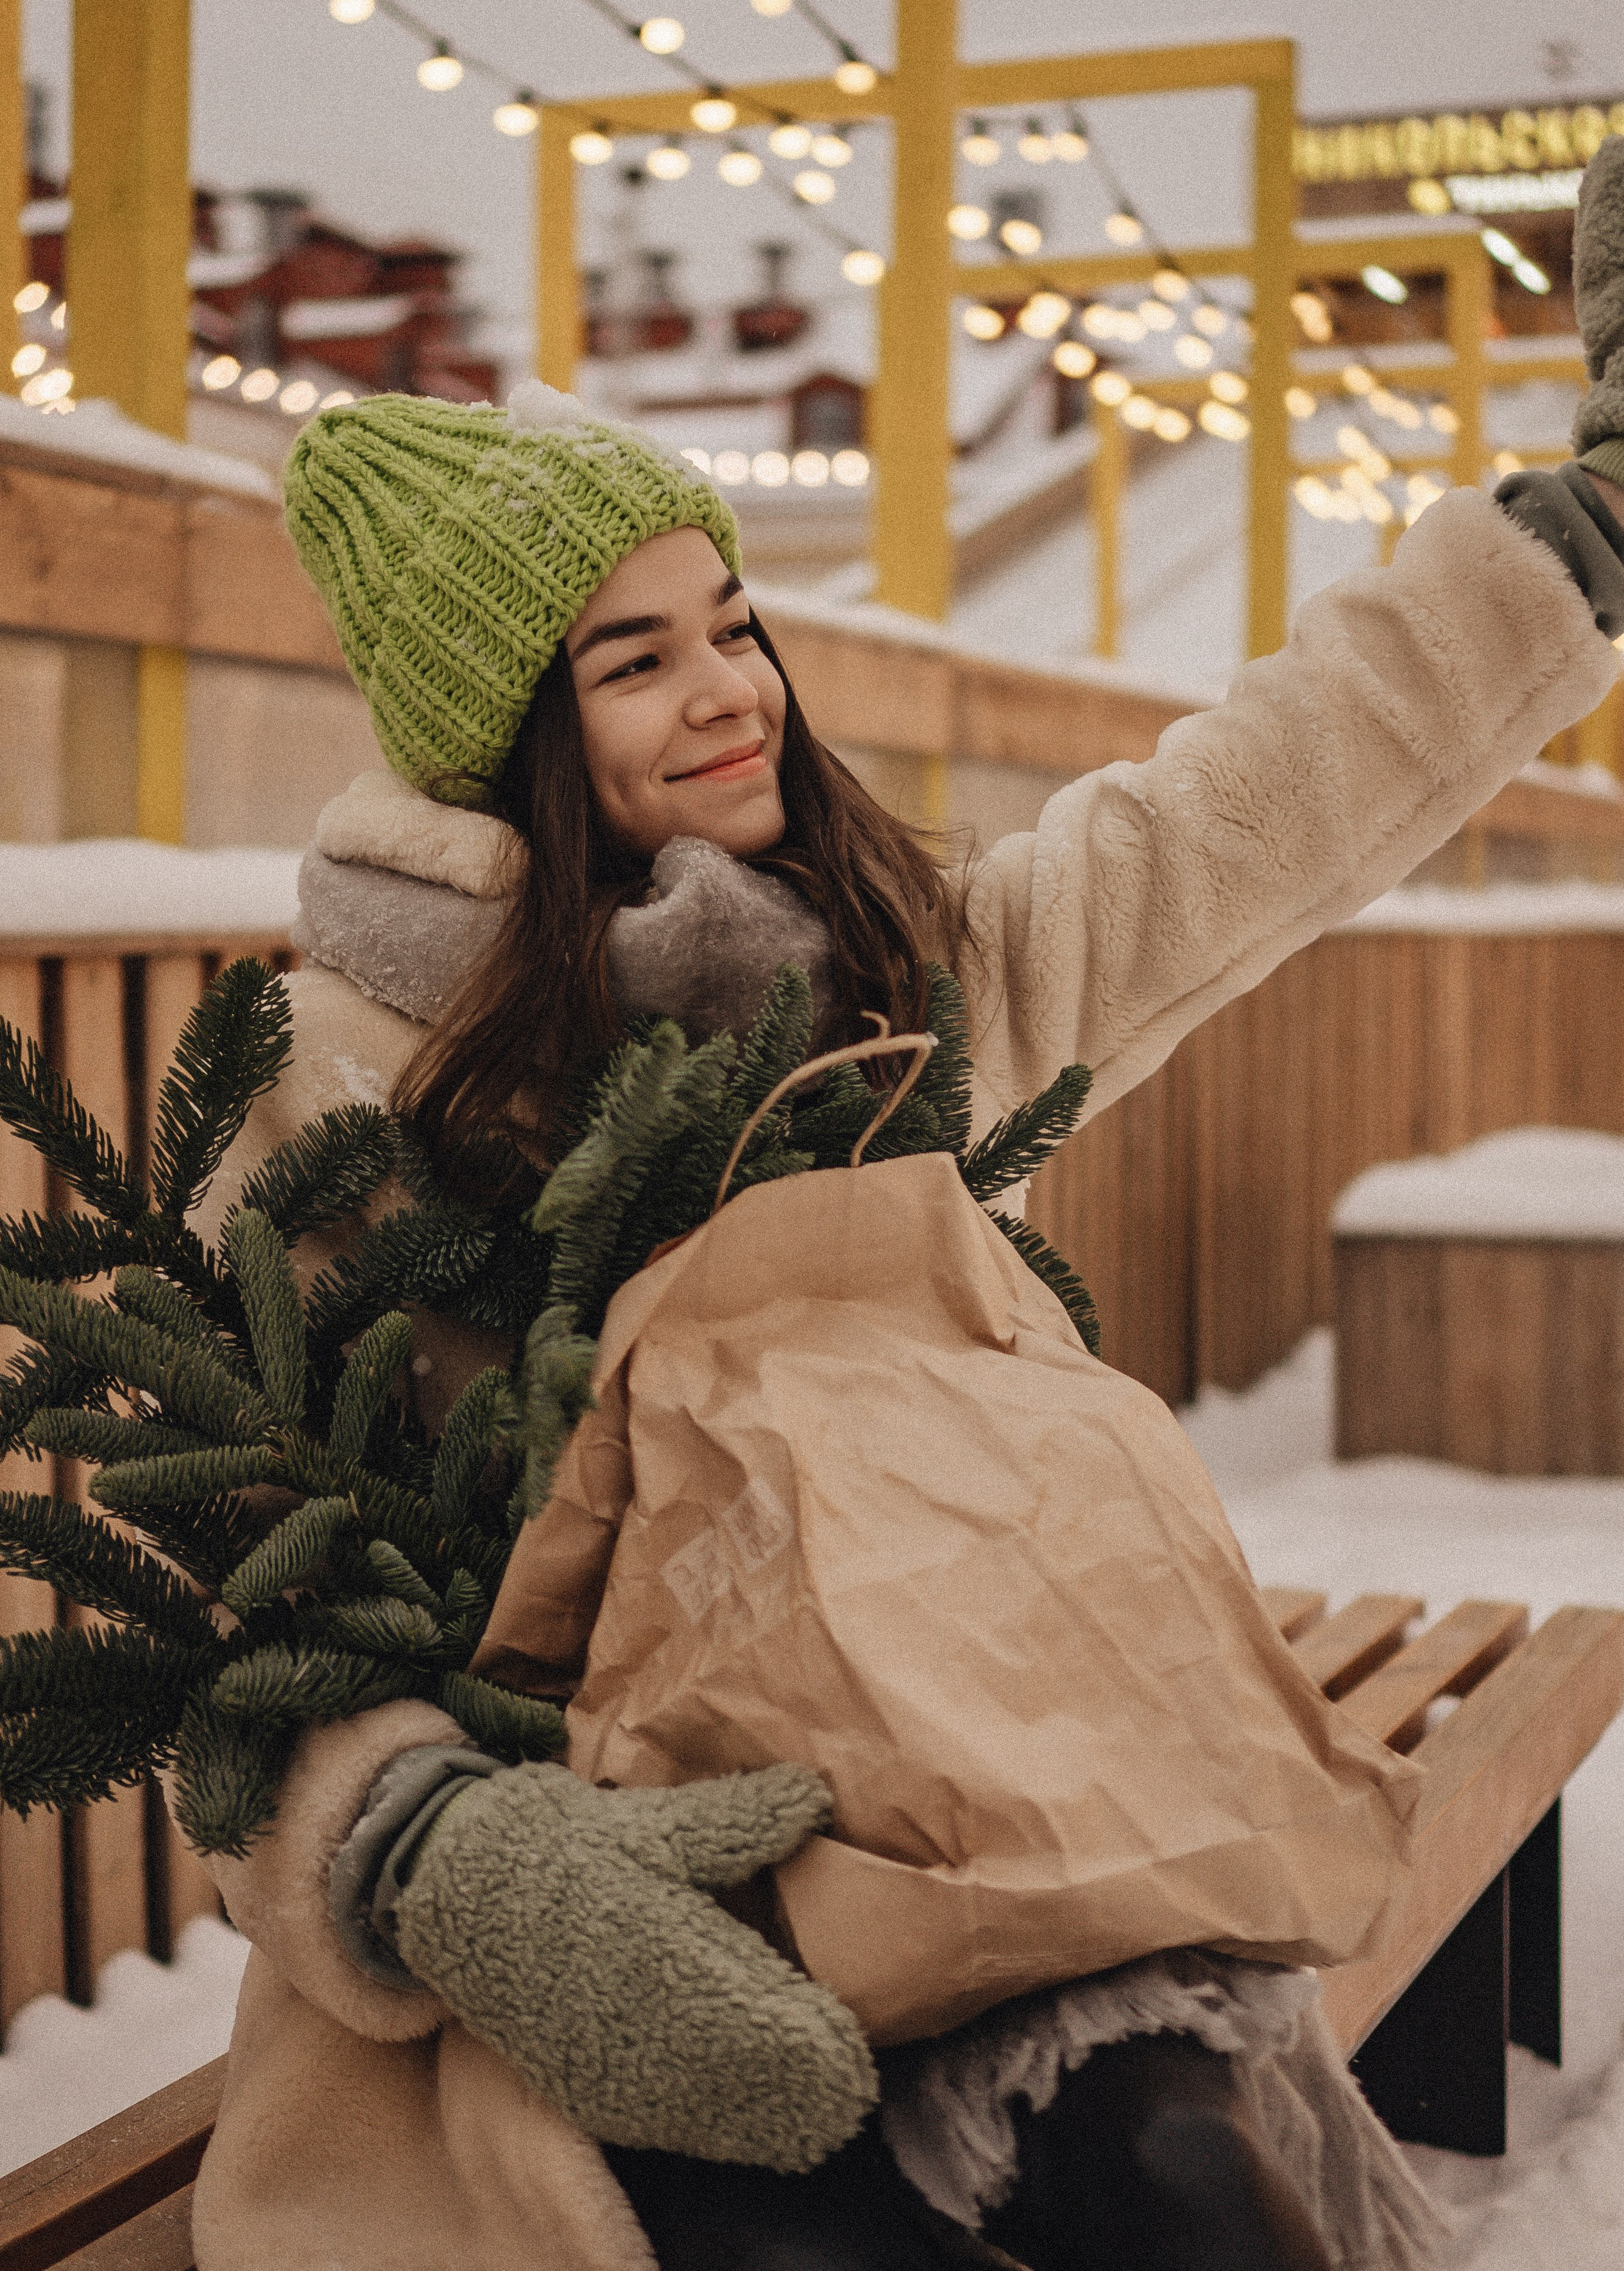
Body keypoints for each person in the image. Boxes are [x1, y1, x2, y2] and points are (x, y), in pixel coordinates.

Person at [183, 149, 1624, 2271]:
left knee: (1186, 2172)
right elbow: (241, 1582)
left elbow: (1253, 808)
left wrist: (1580, 539)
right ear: (514, 746)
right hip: (607, 1891)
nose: (732, 690)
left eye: (737, 625)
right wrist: (438, 1852)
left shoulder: (880, 986)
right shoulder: (351, 1087)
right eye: (638, 662)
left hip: (950, 1819)